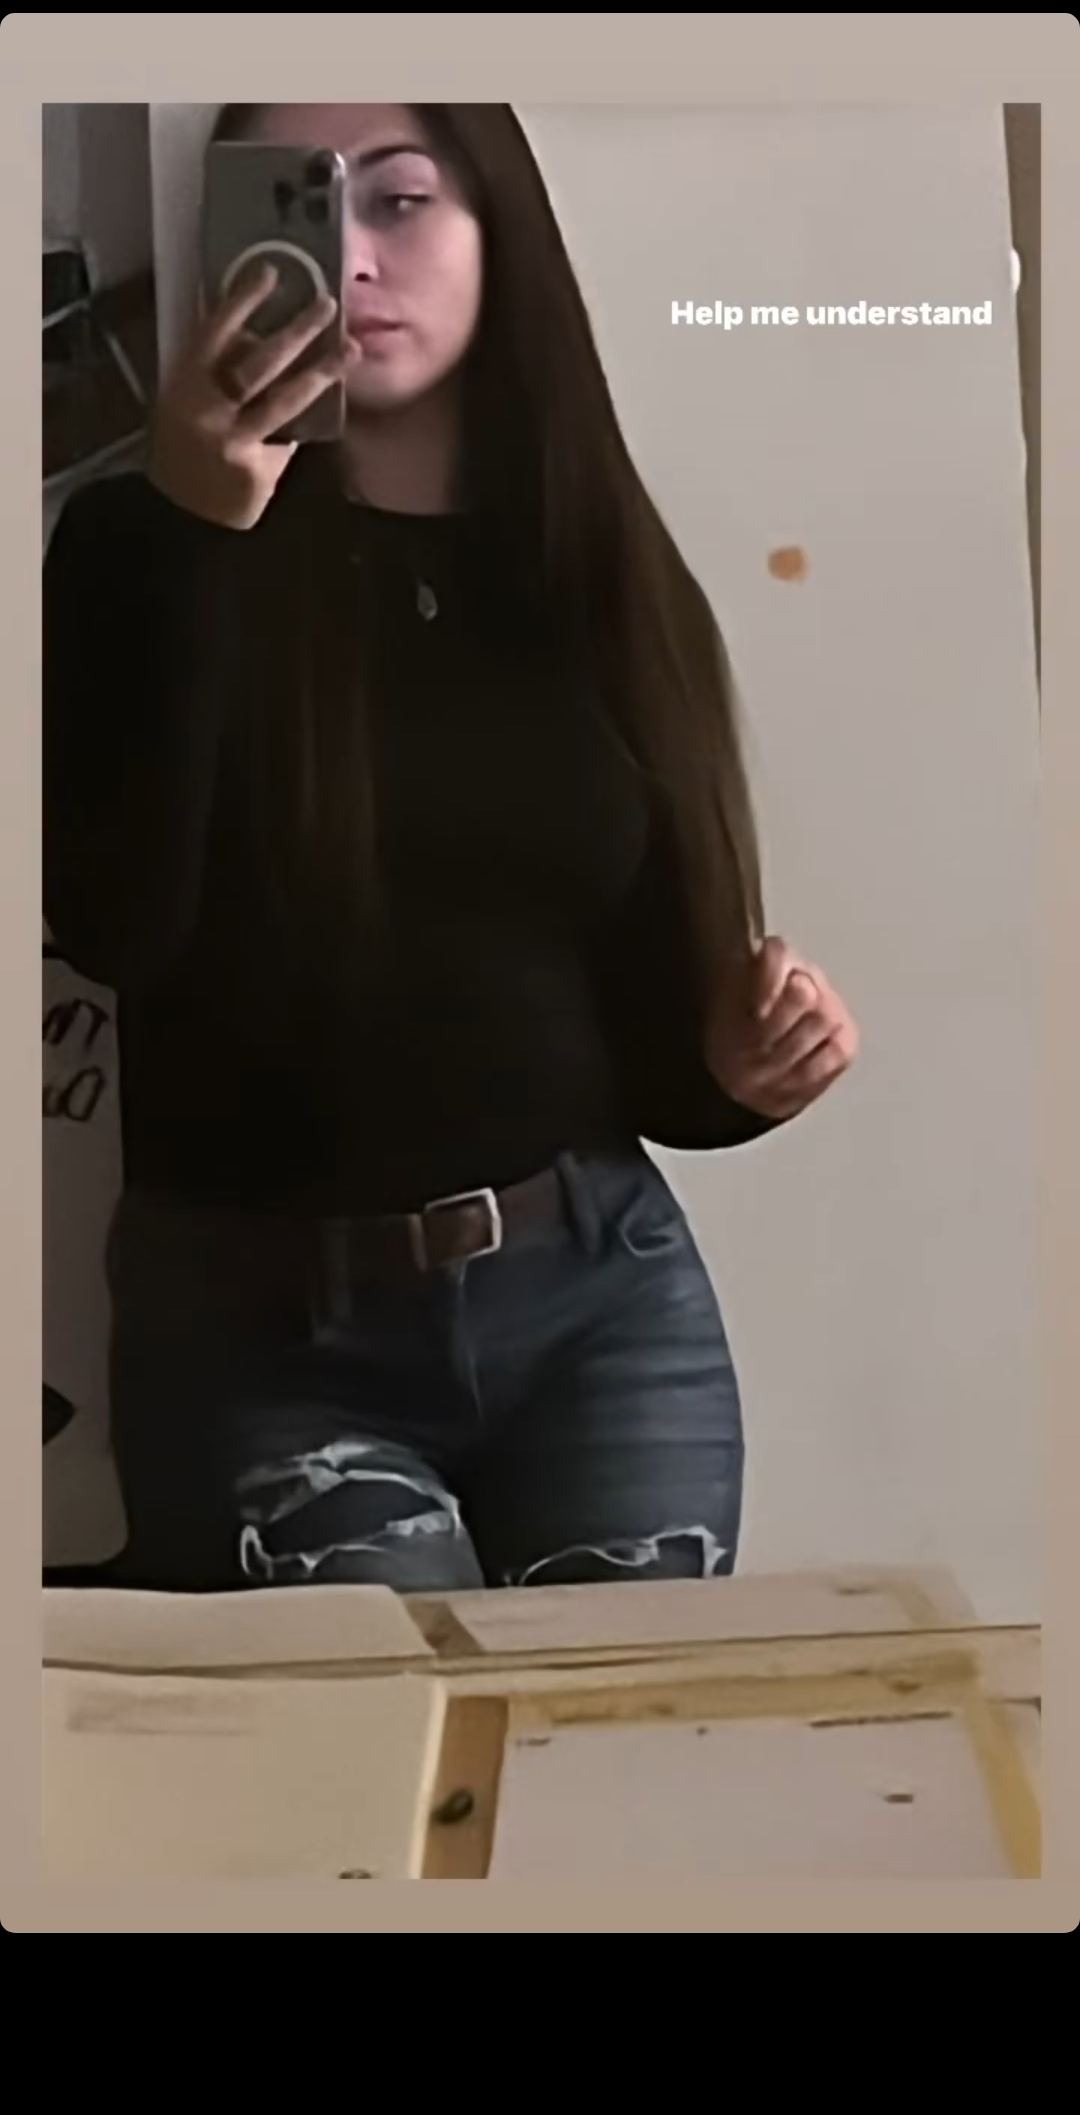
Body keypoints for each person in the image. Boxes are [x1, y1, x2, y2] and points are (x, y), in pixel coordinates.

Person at [43, 102, 858, 1596]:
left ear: (503, 239)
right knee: (378, 1747)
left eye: (403, 200)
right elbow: (116, 923)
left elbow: (653, 1048)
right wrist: (195, 533)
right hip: (260, 1332)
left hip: (600, 1305)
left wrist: (744, 1071)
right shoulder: (130, 549)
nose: (352, 257)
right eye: (299, 204)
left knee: (612, 1737)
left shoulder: (594, 561)